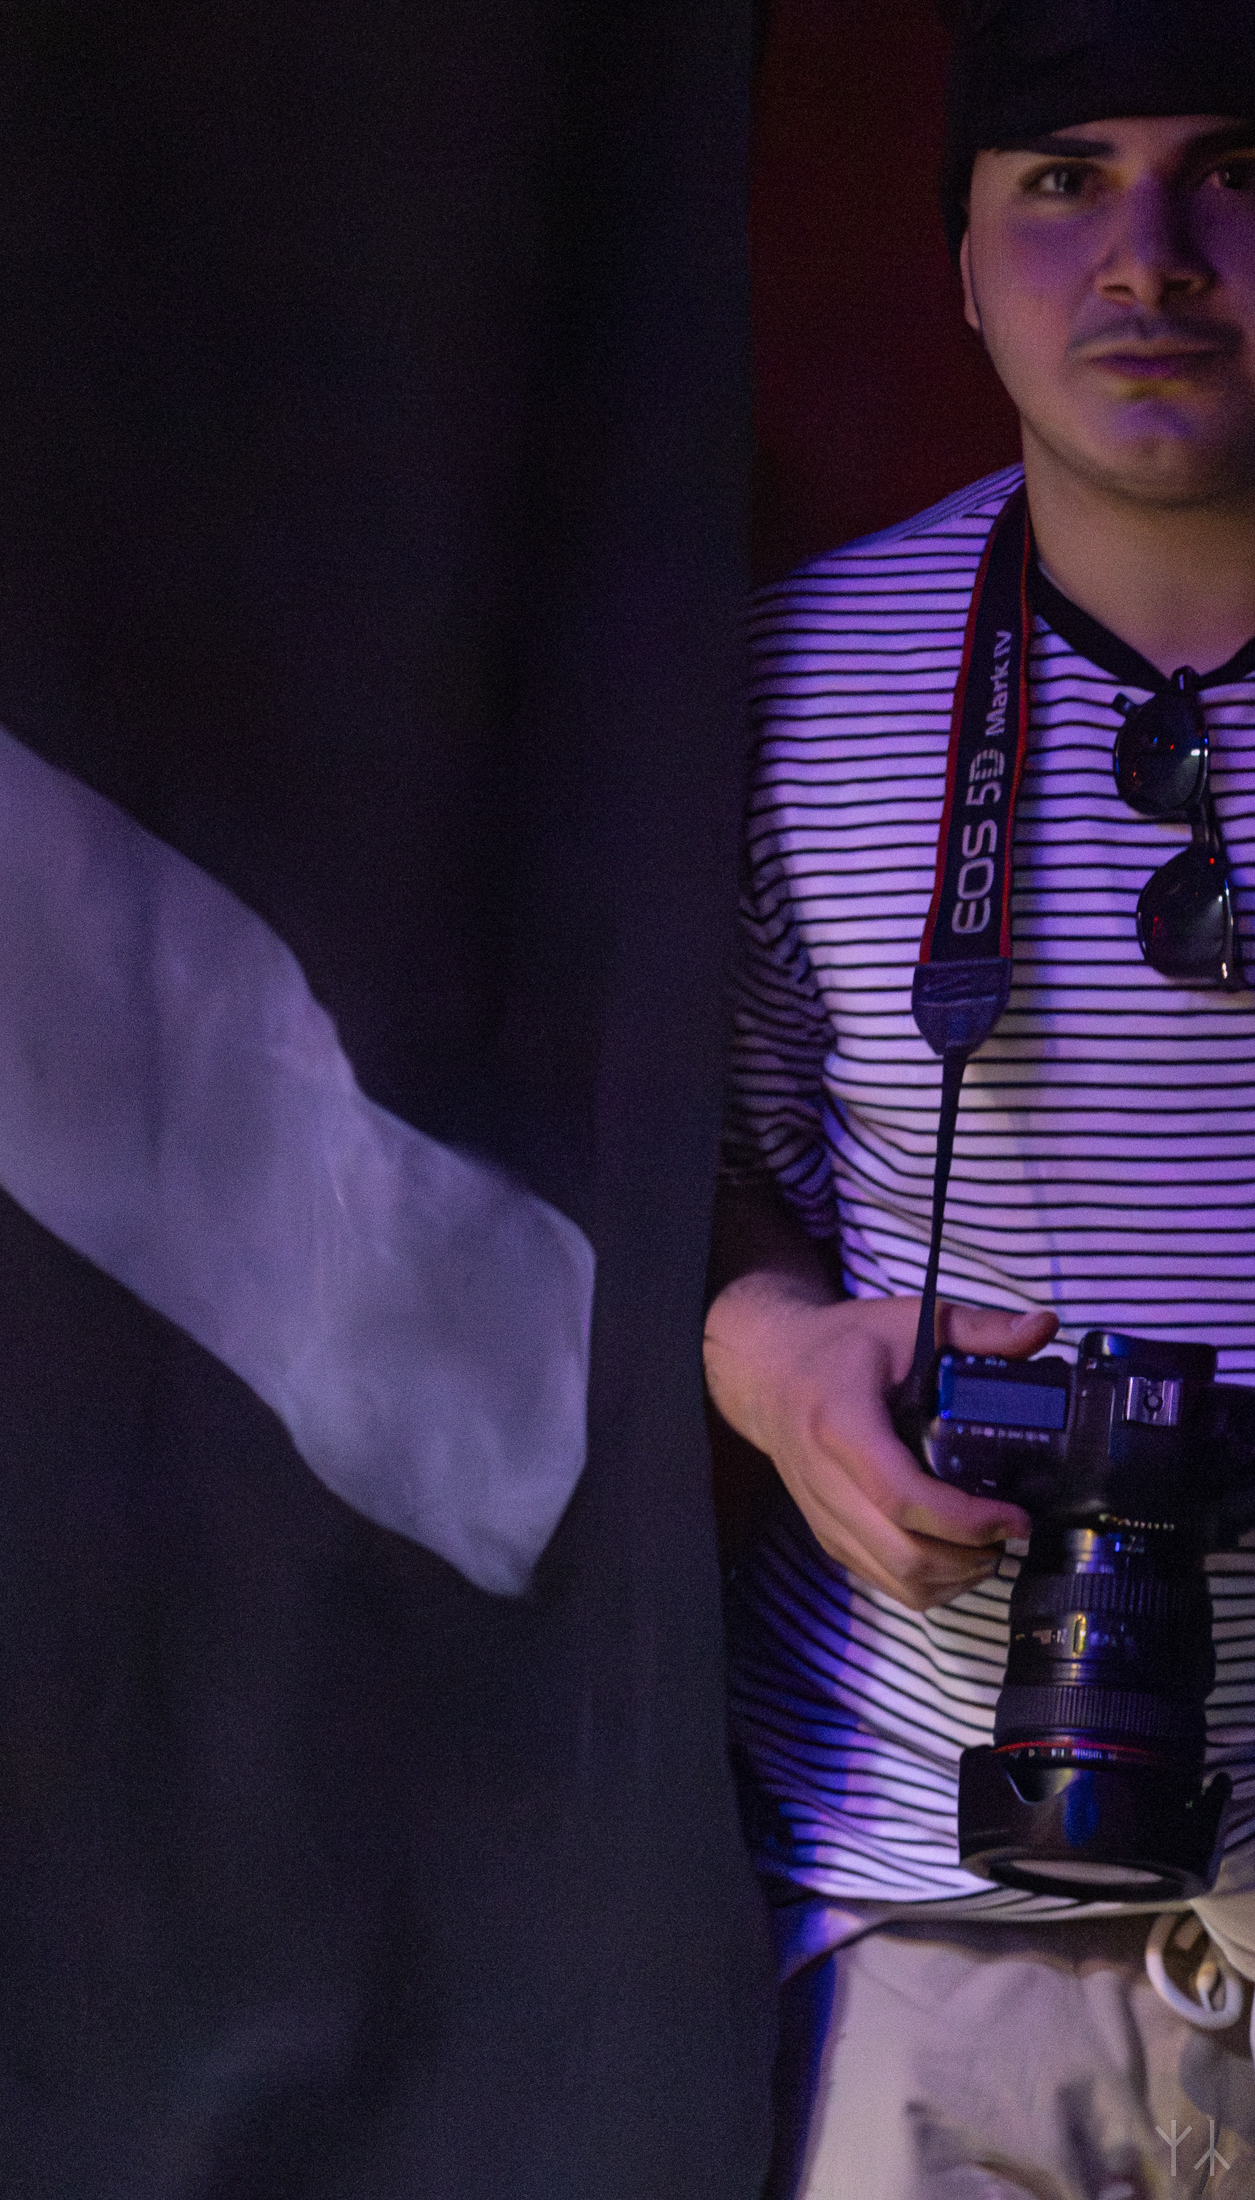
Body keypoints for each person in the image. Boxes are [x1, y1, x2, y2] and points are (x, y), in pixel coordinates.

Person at [706, 4, 1255, 2191]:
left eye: (1235, 171)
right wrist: (776, 1363)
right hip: (921, 1910)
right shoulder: (780, 678)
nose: (1149, 254)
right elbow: (678, 1170)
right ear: (957, 258)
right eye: (1060, 179)